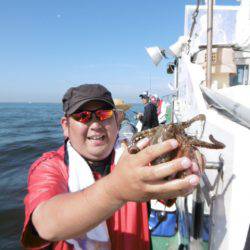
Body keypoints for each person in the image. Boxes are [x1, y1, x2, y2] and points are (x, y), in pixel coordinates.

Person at [21, 83, 200, 250]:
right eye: (82, 116)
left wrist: (186, 164)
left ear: (116, 119)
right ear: (66, 126)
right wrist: (116, 189)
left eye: (103, 115)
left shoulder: (138, 155)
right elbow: (45, 225)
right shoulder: (51, 167)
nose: (96, 125)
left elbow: (168, 191)